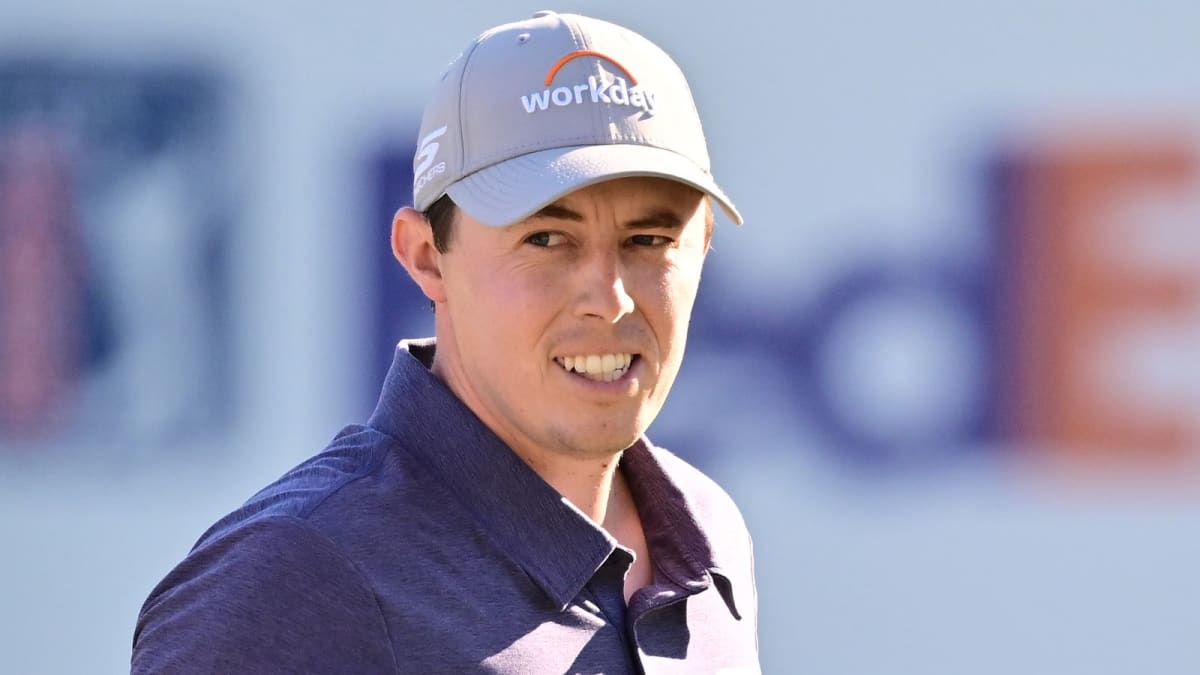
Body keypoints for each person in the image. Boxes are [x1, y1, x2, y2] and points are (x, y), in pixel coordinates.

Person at [132, 10, 758, 673]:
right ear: (426, 256)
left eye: (649, 240)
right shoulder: (291, 576)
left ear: (704, 248)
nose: (610, 298)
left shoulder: (709, 534)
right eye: (546, 238)